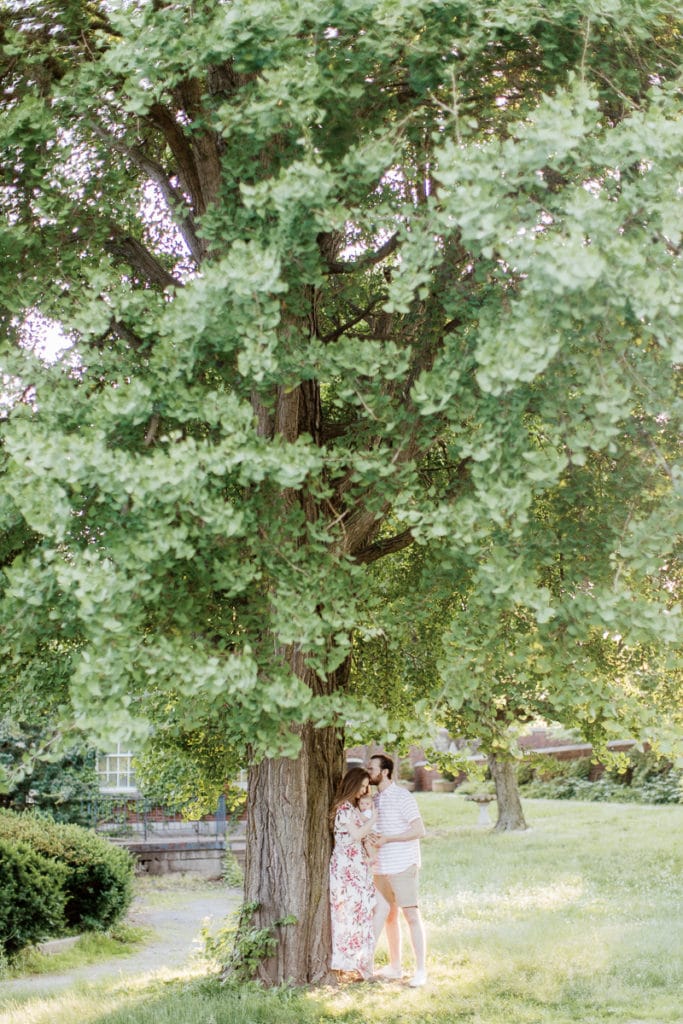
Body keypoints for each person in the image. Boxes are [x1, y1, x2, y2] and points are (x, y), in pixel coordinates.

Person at [367, 753, 428, 988]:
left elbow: (419, 830)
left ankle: (421, 970)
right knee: (389, 916)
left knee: (410, 915)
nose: (368, 771)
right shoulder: (374, 800)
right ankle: (395, 966)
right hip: (380, 866)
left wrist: (388, 839)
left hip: (403, 864)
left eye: (371, 768)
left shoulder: (402, 796)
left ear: (384, 772)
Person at [329, 766, 378, 980]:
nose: (364, 792)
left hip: (356, 864)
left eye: (366, 788)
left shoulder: (352, 808)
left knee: (359, 912)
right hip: (346, 866)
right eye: (362, 786)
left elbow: (362, 837)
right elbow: (357, 834)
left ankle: (359, 964)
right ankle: (346, 964)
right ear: (354, 784)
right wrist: (373, 820)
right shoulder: (343, 808)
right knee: (347, 913)